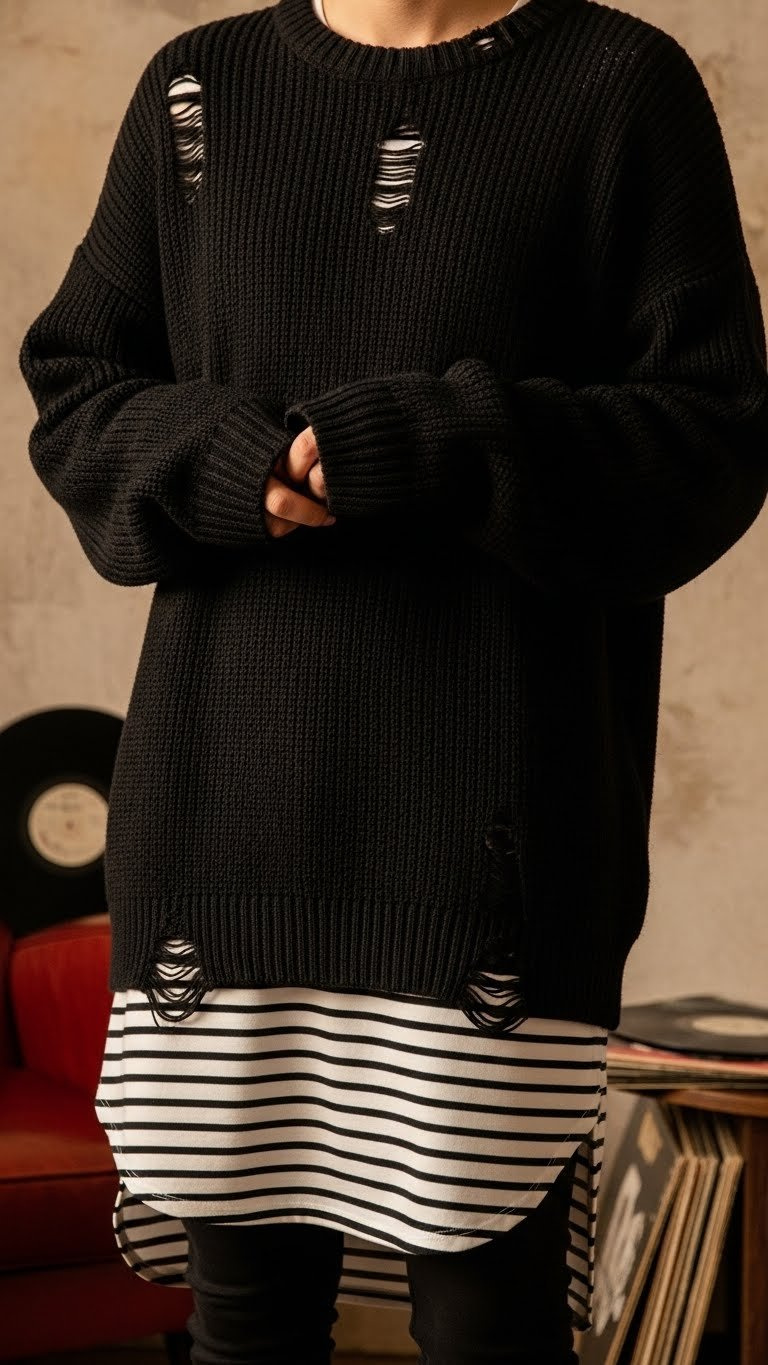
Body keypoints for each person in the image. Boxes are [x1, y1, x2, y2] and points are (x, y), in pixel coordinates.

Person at [18, 0, 768, 1361]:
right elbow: (78, 391)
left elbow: (710, 440)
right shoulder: (200, 89)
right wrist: (223, 454)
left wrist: (436, 438)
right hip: (224, 837)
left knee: (491, 1328)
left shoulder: (618, 85)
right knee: (243, 1330)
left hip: (489, 855)